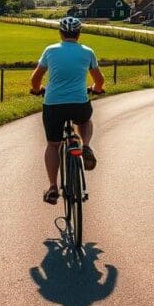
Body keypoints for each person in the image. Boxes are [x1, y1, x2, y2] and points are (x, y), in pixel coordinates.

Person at [30, 16, 105, 205]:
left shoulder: (50, 51)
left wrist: (37, 90)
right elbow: (100, 80)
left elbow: (36, 78)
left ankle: (53, 187)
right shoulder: (88, 52)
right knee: (85, 121)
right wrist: (96, 89)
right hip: (78, 103)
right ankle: (85, 145)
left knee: (53, 145)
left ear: (60, 33)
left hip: (53, 105)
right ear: (79, 34)